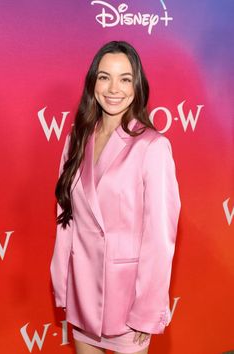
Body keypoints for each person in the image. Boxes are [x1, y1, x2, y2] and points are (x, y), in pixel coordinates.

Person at [50, 40, 181, 354]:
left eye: (125, 78)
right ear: (93, 82)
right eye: (104, 76)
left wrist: (147, 312)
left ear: (137, 85)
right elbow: (66, 218)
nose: (114, 88)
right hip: (83, 294)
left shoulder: (152, 146)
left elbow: (160, 238)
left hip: (128, 305)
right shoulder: (76, 139)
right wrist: (64, 286)